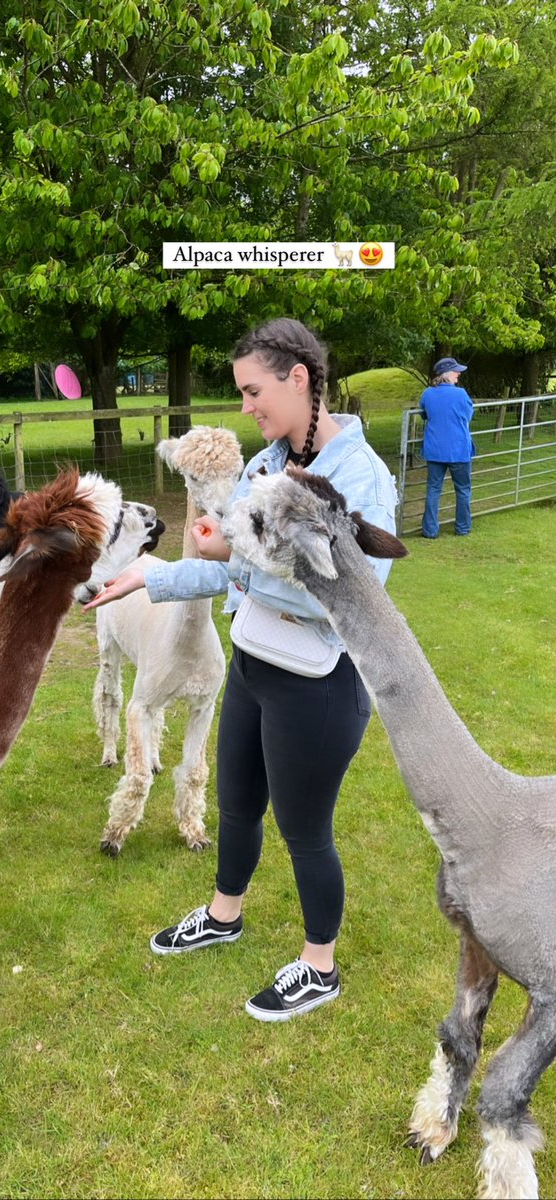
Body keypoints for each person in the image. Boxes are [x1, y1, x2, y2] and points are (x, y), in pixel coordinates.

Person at [83, 318, 398, 1023]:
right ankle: (224, 915)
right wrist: (147, 577)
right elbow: (229, 574)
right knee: (237, 802)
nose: (247, 407)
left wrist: (234, 558)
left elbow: (351, 598)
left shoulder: (358, 480)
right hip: (255, 663)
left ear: (298, 378)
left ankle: (319, 965)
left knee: (304, 829)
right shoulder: (264, 467)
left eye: (254, 391)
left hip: (316, 682)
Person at [419, 357, 475, 538]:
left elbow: (423, 414)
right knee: (463, 489)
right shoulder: (461, 394)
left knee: (433, 489)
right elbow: (468, 415)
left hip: (435, 449)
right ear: (447, 374)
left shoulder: (427, 394)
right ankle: (463, 528)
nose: (459, 374)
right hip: (459, 450)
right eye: (456, 371)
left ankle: (430, 530)